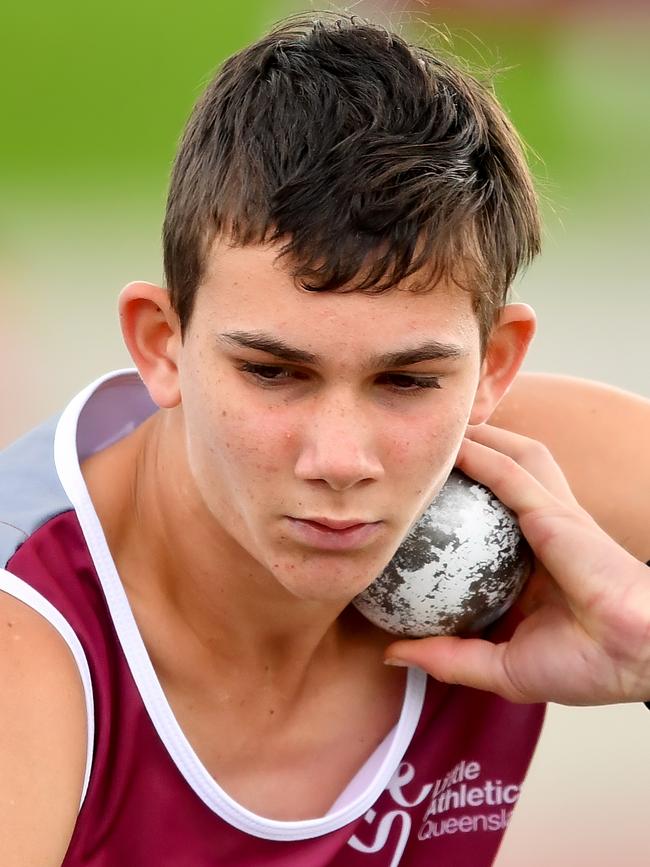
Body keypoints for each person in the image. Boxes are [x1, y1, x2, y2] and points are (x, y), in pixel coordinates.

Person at [1, 13, 648, 866]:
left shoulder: (534, 482)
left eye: (409, 381)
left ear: (494, 368)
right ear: (163, 343)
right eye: (273, 372)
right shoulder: (31, 641)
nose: (341, 460)